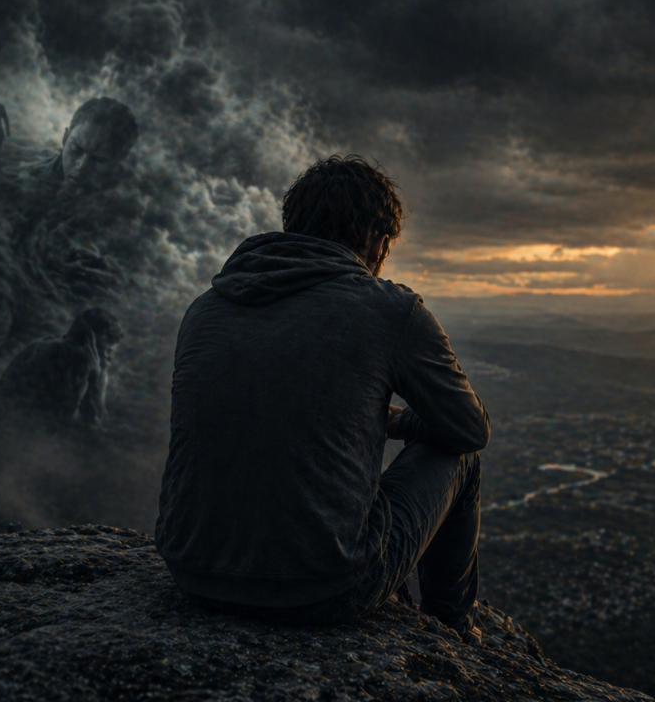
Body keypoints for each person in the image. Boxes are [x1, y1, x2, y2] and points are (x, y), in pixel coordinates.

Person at [155, 155, 490, 640]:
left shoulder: (206, 309)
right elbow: (469, 430)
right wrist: (407, 423)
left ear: (291, 227)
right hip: (324, 588)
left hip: (191, 573)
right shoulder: (390, 311)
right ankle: (451, 630)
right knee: (459, 459)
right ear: (379, 241)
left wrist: (385, 420)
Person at [0, 308, 123, 427]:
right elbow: (59, 423)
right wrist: (88, 376)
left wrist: (96, 377)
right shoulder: (48, 354)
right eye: (100, 350)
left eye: (110, 354)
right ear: (81, 341)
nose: (105, 361)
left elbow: (93, 422)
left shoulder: (95, 365)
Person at [38, 97, 137, 191]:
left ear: (120, 158)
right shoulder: (35, 178)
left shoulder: (130, 196)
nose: (82, 166)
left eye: (99, 159)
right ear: (65, 139)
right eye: (75, 150)